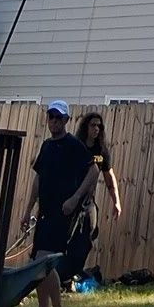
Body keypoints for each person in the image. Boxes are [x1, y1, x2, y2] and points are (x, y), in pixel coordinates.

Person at [20, 100, 99, 307]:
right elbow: (38, 179)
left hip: (63, 212)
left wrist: (75, 198)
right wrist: (27, 209)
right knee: (37, 262)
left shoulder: (72, 145)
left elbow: (93, 170)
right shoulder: (46, 147)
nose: (54, 121)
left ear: (66, 120)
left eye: (58, 117)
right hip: (44, 212)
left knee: (46, 262)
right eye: (51, 117)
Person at [60, 109, 122, 284]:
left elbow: (110, 178)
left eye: (99, 126)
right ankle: (62, 276)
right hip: (71, 199)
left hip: (88, 203)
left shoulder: (101, 151)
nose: (96, 129)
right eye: (93, 125)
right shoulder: (75, 146)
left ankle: (72, 274)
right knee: (66, 239)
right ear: (85, 126)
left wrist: (116, 202)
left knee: (87, 239)